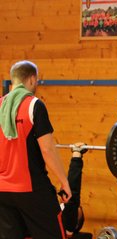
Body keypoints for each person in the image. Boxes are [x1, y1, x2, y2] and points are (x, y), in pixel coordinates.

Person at [0, 60, 72, 239]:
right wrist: (64, 182)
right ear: (32, 79)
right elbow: (47, 150)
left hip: (2, 192)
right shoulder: (34, 105)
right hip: (31, 189)